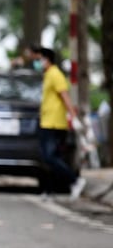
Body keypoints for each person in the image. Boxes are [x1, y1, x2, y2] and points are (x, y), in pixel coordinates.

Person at [36, 47, 86, 200]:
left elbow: (65, 96)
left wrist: (73, 116)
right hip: (47, 121)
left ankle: (75, 180)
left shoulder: (55, 74)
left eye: (40, 59)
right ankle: (49, 191)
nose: (38, 62)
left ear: (47, 59)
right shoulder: (48, 74)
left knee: (50, 157)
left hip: (54, 123)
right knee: (49, 158)